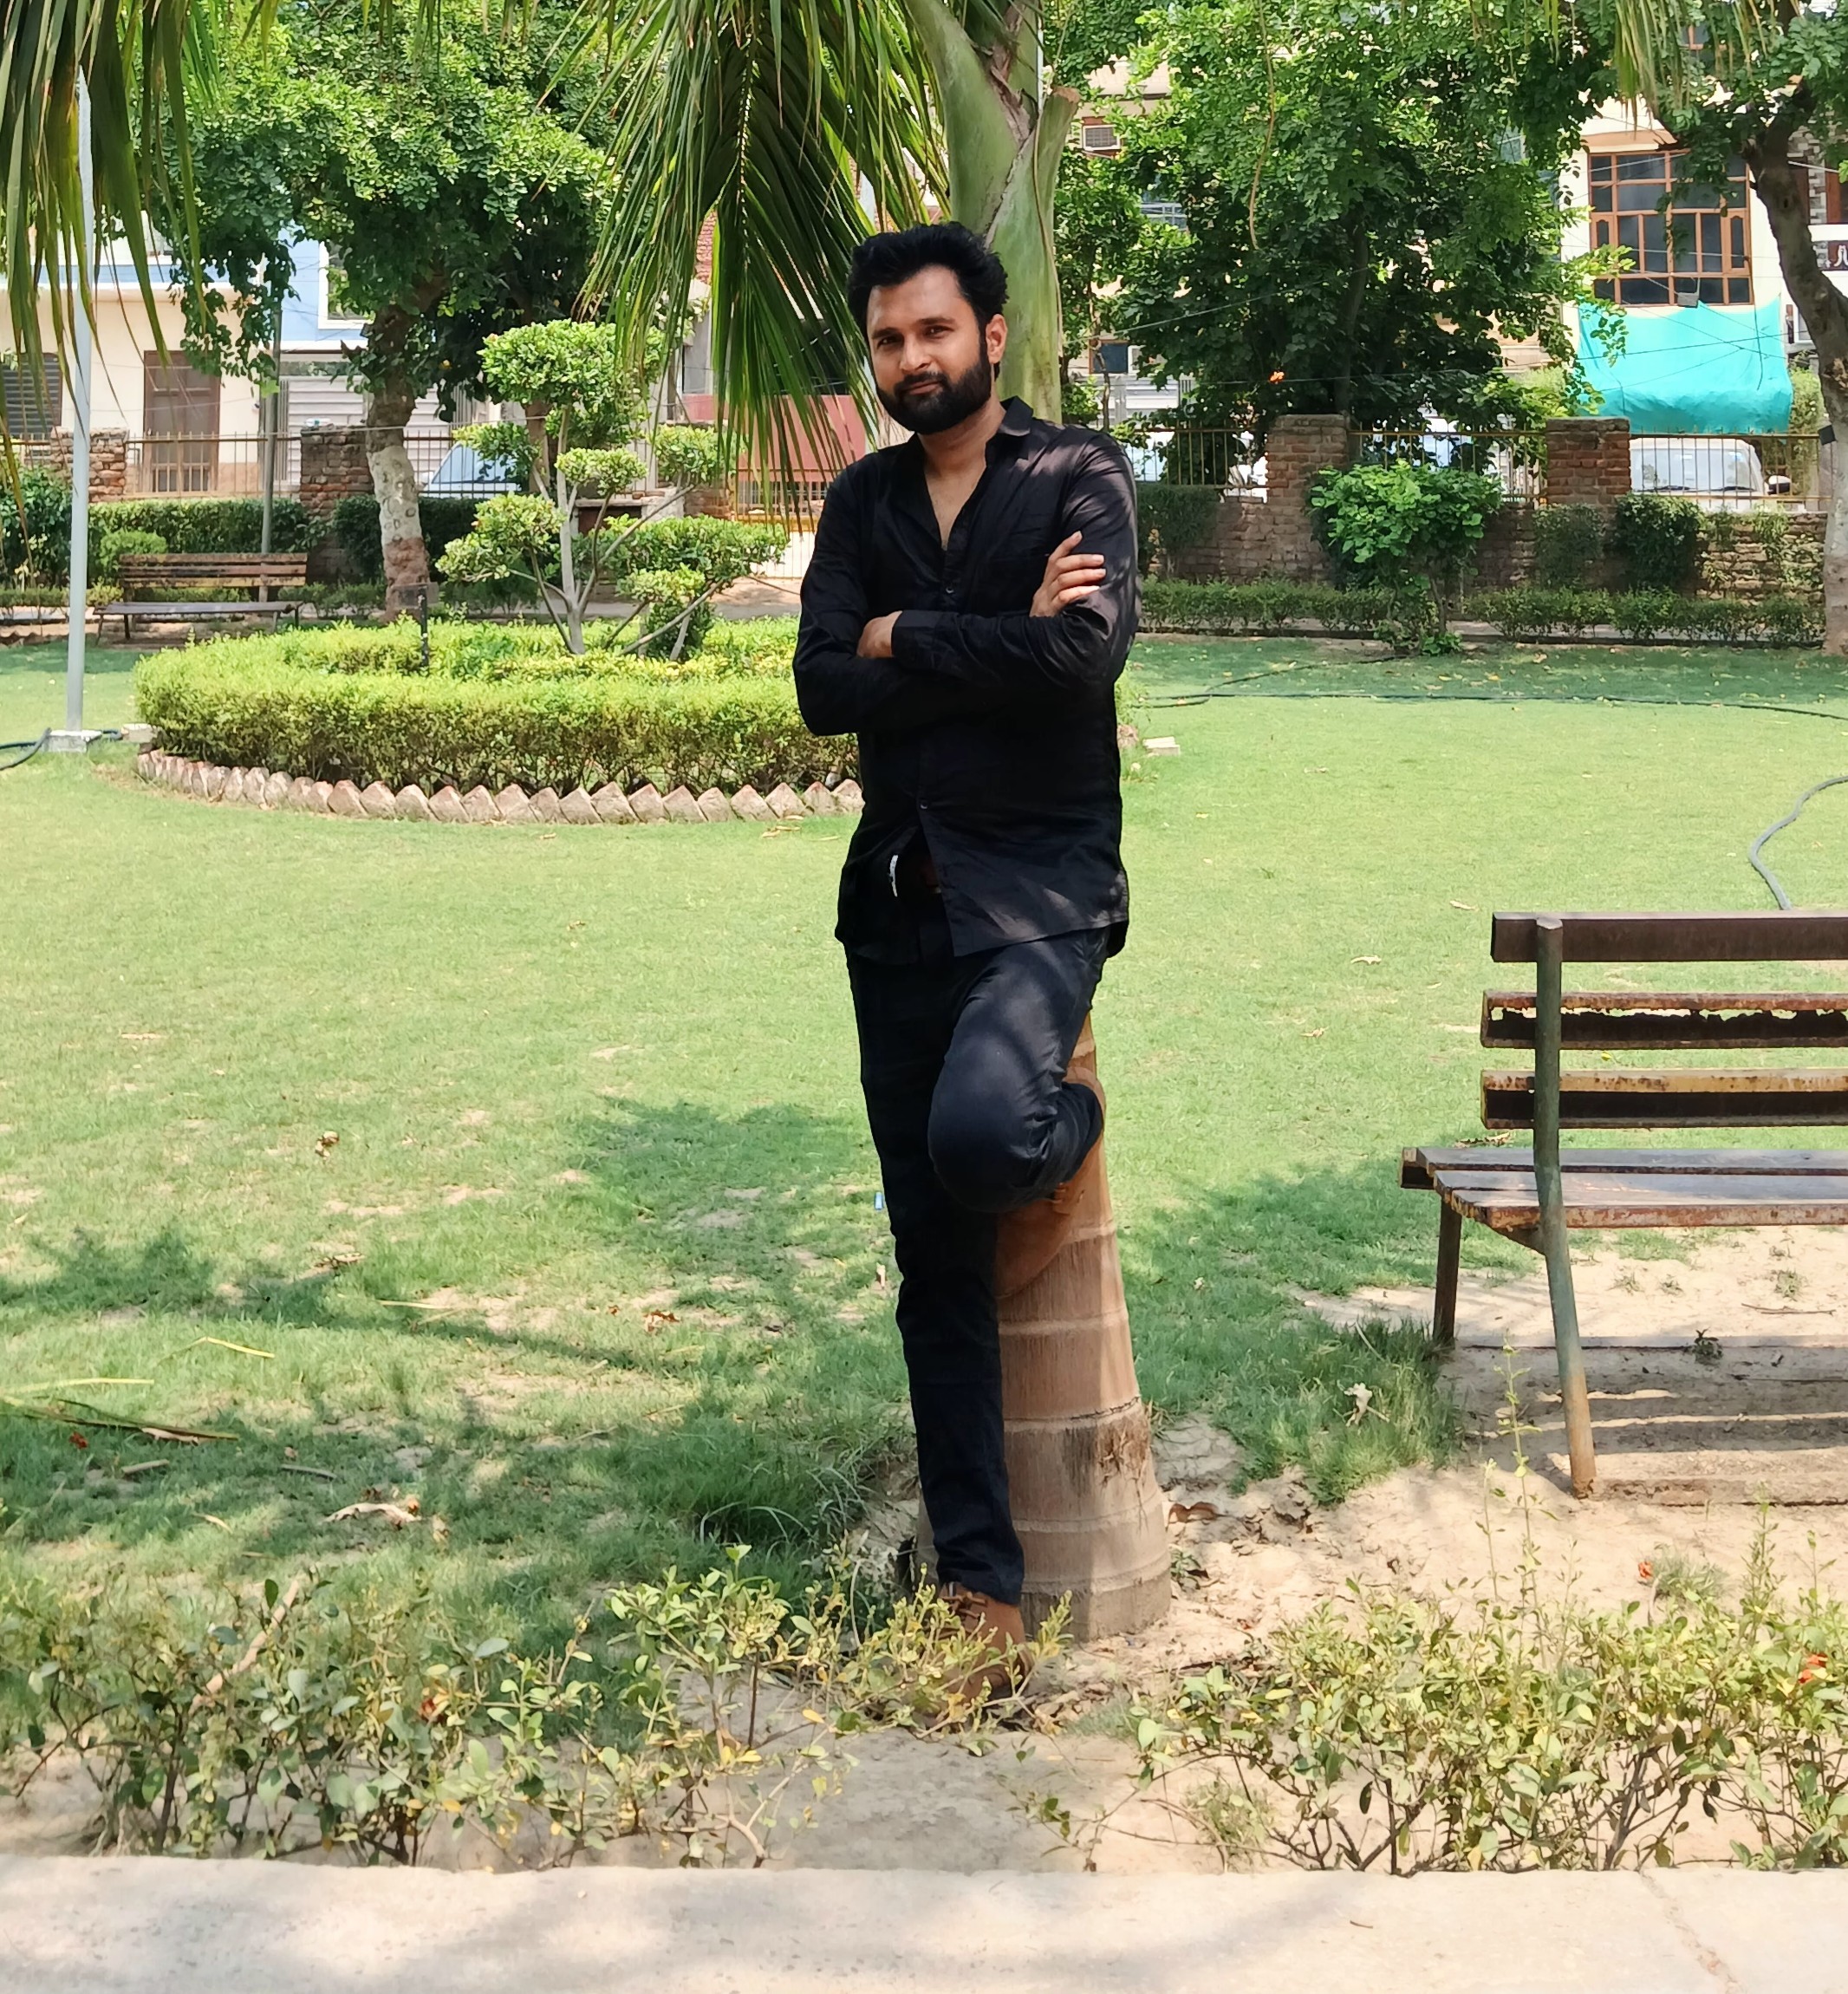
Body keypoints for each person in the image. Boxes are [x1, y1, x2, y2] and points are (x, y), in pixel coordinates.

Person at [792, 222, 1139, 1683]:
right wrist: (981, 633)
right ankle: (980, 1590)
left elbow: (1084, 657)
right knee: (931, 1269)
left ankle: (1080, 1118)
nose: (911, 358)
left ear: (991, 336)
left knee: (990, 1143)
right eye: (888, 340)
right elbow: (821, 688)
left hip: (1040, 897)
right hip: (898, 907)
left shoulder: (1077, 476)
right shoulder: (862, 496)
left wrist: (904, 639)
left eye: (933, 331)